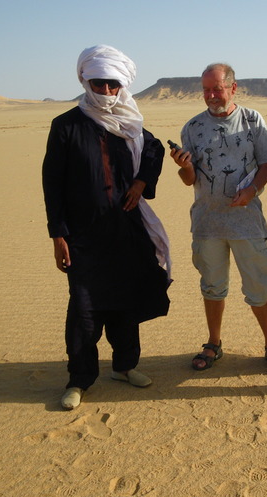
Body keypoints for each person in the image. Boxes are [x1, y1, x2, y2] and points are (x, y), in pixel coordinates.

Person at [42, 45, 171, 410]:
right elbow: (52, 183)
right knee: (84, 309)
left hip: (127, 232)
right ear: (86, 81)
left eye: (113, 85)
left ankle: (125, 367)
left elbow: (154, 149)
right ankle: (79, 379)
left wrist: (142, 182)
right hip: (83, 237)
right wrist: (58, 235)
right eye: (99, 84)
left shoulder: (129, 122)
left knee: (125, 303)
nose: (107, 92)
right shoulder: (66, 125)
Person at [169, 63, 267, 373]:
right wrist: (183, 165)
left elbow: (266, 165)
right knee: (212, 285)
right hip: (208, 223)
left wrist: (252, 191)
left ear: (233, 88)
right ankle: (213, 342)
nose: (210, 95)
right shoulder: (193, 127)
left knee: (258, 285)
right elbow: (189, 179)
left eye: (217, 89)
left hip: (247, 221)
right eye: (206, 90)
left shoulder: (253, 121)